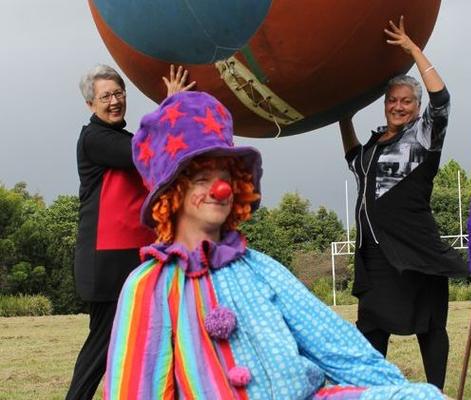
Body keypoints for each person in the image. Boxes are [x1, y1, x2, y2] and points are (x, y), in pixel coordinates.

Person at [103, 90, 448, 399]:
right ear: (172, 194)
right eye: (202, 178)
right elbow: (137, 387)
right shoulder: (149, 285)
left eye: (226, 178)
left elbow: (334, 344)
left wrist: (401, 390)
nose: (219, 189)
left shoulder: (261, 269)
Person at [338, 16, 468, 390]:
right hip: (375, 255)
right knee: (371, 326)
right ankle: (372, 391)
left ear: (415, 105)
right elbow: (353, 158)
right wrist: (342, 117)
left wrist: (413, 49)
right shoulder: (373, 146)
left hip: (415, 248)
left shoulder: (424, 135)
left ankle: (436, 393)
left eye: (406, 101)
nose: (398, 106)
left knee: (430, 325)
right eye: (392, 100)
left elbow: (442, 99)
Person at [67, 64, 195, 399]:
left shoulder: (122, 137)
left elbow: (161, 155)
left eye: (119, 93)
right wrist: (170, 106)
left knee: (152, 339)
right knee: (102, 346)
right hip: (107, 264)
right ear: (91, 104)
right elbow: (144, 150)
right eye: (105, 96)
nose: (114, 101)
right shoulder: (94, 139)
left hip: (137, 257)